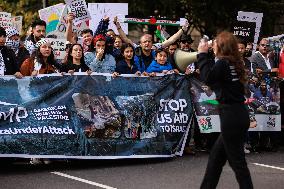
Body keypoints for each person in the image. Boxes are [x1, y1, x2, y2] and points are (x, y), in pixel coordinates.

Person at [197, 31, 253, 189]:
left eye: (215, 43)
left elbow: (207, 78)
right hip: (239, 115)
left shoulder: (222, 63)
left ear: (221, 46)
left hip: (231, 118)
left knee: (238, 164)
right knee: (215, 160)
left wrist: (201, 54)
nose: (212, 45)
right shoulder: (235, 62)